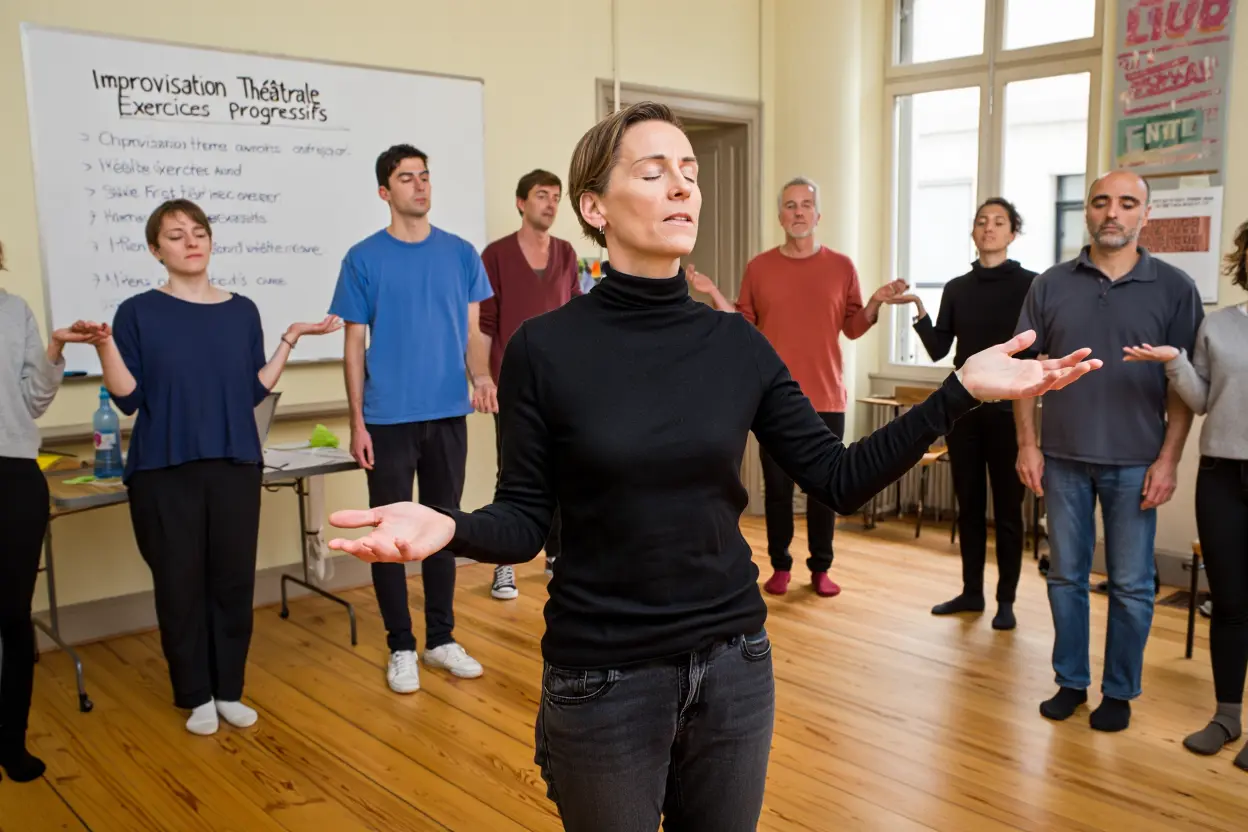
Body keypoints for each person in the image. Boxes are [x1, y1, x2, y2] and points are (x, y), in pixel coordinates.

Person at [324, 102, 1100, 832]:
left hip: (735, 668)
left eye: (690, 171)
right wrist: (448, 525)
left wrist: (958, 391)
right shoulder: (544, 349)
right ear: (595, 207)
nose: (683, 186)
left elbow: (836, 478)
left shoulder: (735, 345)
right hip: (604, 679)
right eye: (654, 170)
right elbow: (526, 520)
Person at [81, 200, 342, 736]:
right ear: (155, 250)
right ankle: (195, 693)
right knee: (180, 586)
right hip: (163, 469)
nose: (191, 241)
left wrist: (290, 339)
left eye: (198, 231)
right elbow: (128, 399)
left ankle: (228, 689)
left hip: (234, 465)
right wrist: (106, 346)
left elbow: (251, 389)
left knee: (232, 582)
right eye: (176, 235)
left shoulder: (241, 311)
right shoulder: (137, 312)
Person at [1014, 170, 1203, 733]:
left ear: (1145, 214)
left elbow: (1183, 387)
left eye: (1126, 203)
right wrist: (1028, 444)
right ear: (1088, 212)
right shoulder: (1050, 284)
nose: (1112, 212)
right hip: (1062, 457)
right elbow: (1024, 373)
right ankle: (1071, 681)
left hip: (1137, 462)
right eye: (1101, 202)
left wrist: (1169, 460)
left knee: (1132, 585)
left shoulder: (1175, 288)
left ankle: (1119, 690)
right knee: (1065, 577)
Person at [689, 177, 907, 598]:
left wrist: (876, 301)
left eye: (806, 204)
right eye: (790, 205)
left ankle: (821, 568)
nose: (799, 211)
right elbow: (742, 324)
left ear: (818, 214)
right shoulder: (759, 267)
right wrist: (713, 291)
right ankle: (780, 565)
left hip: (827, 397)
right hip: (772, 399)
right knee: (778, 491)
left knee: (826, 489)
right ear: (780, 216)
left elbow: (854, 327)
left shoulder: (841, 267)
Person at [328, 144, 494, 695]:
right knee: (389, 537)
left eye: (425, 176)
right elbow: (353, 347)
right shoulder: (362, 258)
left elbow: (473, 331)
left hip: (447, 414)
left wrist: (482, 377)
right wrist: (357, 422)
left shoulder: (461, 254)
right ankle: (400, 644)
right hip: (387, 420)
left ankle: (440, 639)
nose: (420, 185)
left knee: (443, 527)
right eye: (406, 178)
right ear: (385, 191)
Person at [1121, 219, 1248, 770]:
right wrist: (1173, 359)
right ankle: (1227, 716)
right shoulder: (1219, 326)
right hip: (1221, 477)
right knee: (1231, 603)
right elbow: (1199, 400)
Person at [893, 198, 1036, 630]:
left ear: (1013, 233)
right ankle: (972, 592)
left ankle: (1006, 601)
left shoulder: (1032, 284)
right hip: (964, 412)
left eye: (999, 222)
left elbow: (1039, 346)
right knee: (969, 506)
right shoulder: (957, 287)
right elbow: (940, 349)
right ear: (973, 232)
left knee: (1008, 512)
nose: (989, 228)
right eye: (981, 221)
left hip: (1010, 411)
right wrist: (919, 309)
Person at [0, 242, 105, 782]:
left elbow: (34, 402)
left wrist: (55, 350)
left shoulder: (14, 308)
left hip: (13, 473)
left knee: (12, 615)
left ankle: (11, 741)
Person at [479, 169, 582, 600]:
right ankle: (504, 565)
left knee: (563, 472)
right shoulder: (496, 256)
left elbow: (578, 316)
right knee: (513, 474)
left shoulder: (566, 253)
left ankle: (555, 556)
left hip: (562, 384)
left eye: (556, 196)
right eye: (542, 195)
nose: (551, 204)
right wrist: (483, 378)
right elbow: (485, 324)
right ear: (521, 203)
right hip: (513, 386)